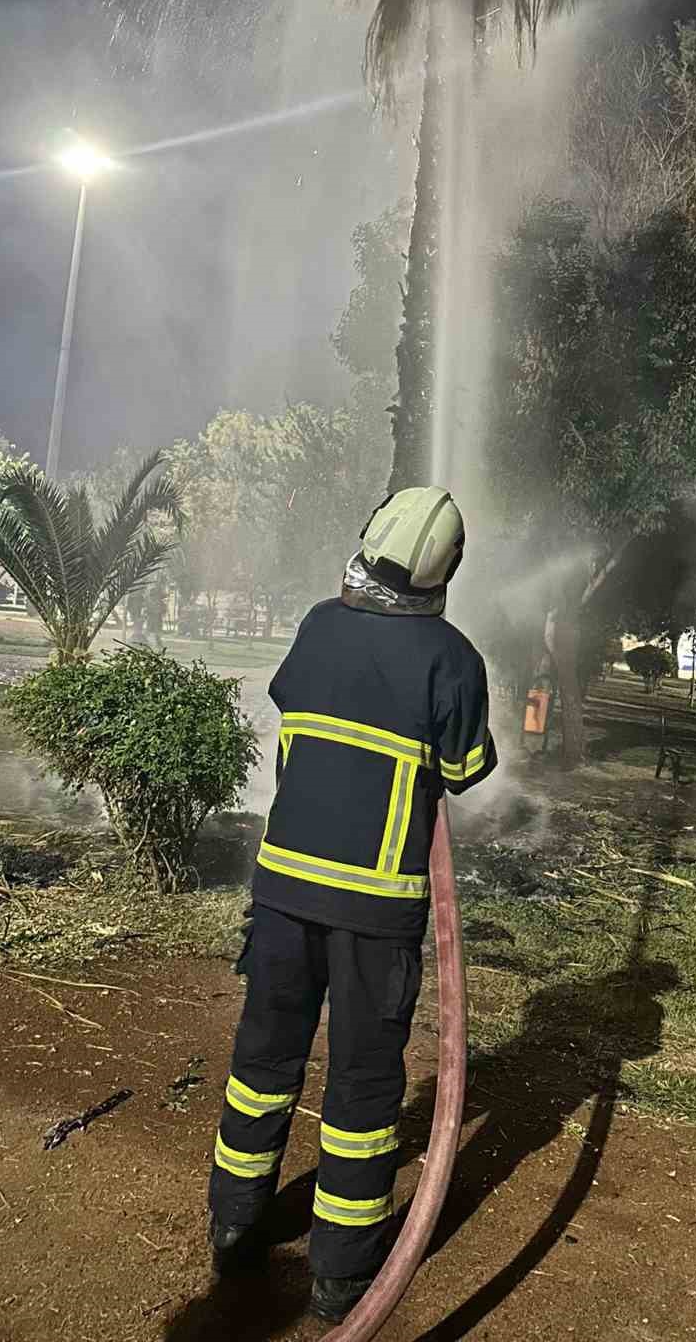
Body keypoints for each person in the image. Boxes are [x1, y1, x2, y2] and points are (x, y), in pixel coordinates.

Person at [208, 486, 497, 1323]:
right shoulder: (453, 659)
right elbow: (467, 768)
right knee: (366, 1089)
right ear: (445, 569)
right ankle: (341, 1274)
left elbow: (295, 711)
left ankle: (233, 1225)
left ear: (369, 540)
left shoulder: (315, 626)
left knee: (263, 1060)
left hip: (283, 893)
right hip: (376, 916)